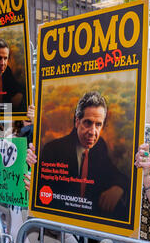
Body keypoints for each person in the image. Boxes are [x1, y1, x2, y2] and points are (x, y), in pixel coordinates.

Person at [37, 91, 129, 220]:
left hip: (89, 225)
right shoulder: (53, 150)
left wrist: (118, 187)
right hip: (61, 225)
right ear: (77, 121)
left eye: (98, 124)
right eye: (88, 123)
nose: (93, 132)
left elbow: (115, 173)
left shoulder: (99, 146)